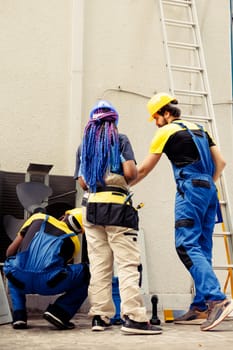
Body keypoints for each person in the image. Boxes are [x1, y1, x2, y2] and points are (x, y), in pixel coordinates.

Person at [131, 92, 233, 331]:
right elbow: (221, 162)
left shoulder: (165, 132)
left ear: (166, 113)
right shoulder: (200, 128)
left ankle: (216, 300)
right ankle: (200, 306)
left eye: (156, 117)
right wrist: (207, 184)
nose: (155, 122)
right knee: (202, 246)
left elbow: (144, 170)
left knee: (186, 245)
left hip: (190, 188)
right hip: (209, 189)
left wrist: (123, 186)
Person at [74, 99, 162, 335]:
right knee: (127, 265)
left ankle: (99, 317)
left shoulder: (84, 146)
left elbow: (83, 182)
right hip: (118, 209)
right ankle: (133, 317)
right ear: (114, 120)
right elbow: (132, 172)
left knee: (100, 266)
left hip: (91, 209)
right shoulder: (120, 140)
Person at [3, 207, 90, 330]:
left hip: (20, 280)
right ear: (80, 231)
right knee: (88, 272)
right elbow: (58, 266)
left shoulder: (36, 218)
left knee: (13, 266)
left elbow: (9, 252)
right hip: (49, 284)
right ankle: (60, 312)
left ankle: (19, 316)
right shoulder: (74, 242)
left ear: (63, 217)